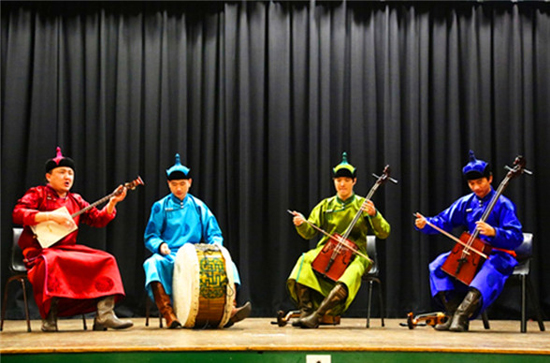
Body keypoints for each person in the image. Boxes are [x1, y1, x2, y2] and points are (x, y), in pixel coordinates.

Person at [12, 147, 134, 332]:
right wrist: (50, 216)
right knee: (52, 261)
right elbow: (18, 213)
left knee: (107, 260)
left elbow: (98, 219)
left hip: (67, 250)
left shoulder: (76, 200)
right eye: (61, 172)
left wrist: (113, 203)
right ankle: (49, 317)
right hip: (40, 253)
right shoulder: (37, 193)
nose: (67, 176)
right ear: (48, 176)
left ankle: (104, 315)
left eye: (70, 173)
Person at [415, 151, 523, 332]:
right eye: (472, 184)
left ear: (490, 179)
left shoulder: (503, 204)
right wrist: (425, 223)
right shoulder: (466, 202)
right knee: (437, 265)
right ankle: (452, 313)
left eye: (480, 182)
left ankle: (462, 316)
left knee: (486, 274)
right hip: (472, 252)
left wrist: (494, 232)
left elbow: (516, 237)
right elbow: (443, 221)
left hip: (498, 255)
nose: (476, 187)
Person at [143, 153, 251, 329]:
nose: (179, 188)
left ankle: (230, 308)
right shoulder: (160, 206)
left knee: (228, 263)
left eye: (182, 184)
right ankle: (169, 314)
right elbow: (151, 236)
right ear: (169, 184)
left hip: (193, 255)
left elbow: (214, 232)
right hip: (169, 254)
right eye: (175, 184)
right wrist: (160, 245)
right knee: (152, 264)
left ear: (190, 183)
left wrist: (216, 246)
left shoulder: (199, 206)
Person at [287, 152, 391, 329]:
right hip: (328, 250)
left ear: (354, 182)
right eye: (338, 180)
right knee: (304, 260)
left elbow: (384, 232)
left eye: (346, 180)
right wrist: (301, 223)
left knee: (351, 273)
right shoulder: (326, 205)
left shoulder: (363, 205)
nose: (342, 183)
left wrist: (374, 215)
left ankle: (318, 316)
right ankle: (306, 310)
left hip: (357, 255)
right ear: (334, 182)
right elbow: (309, 233)